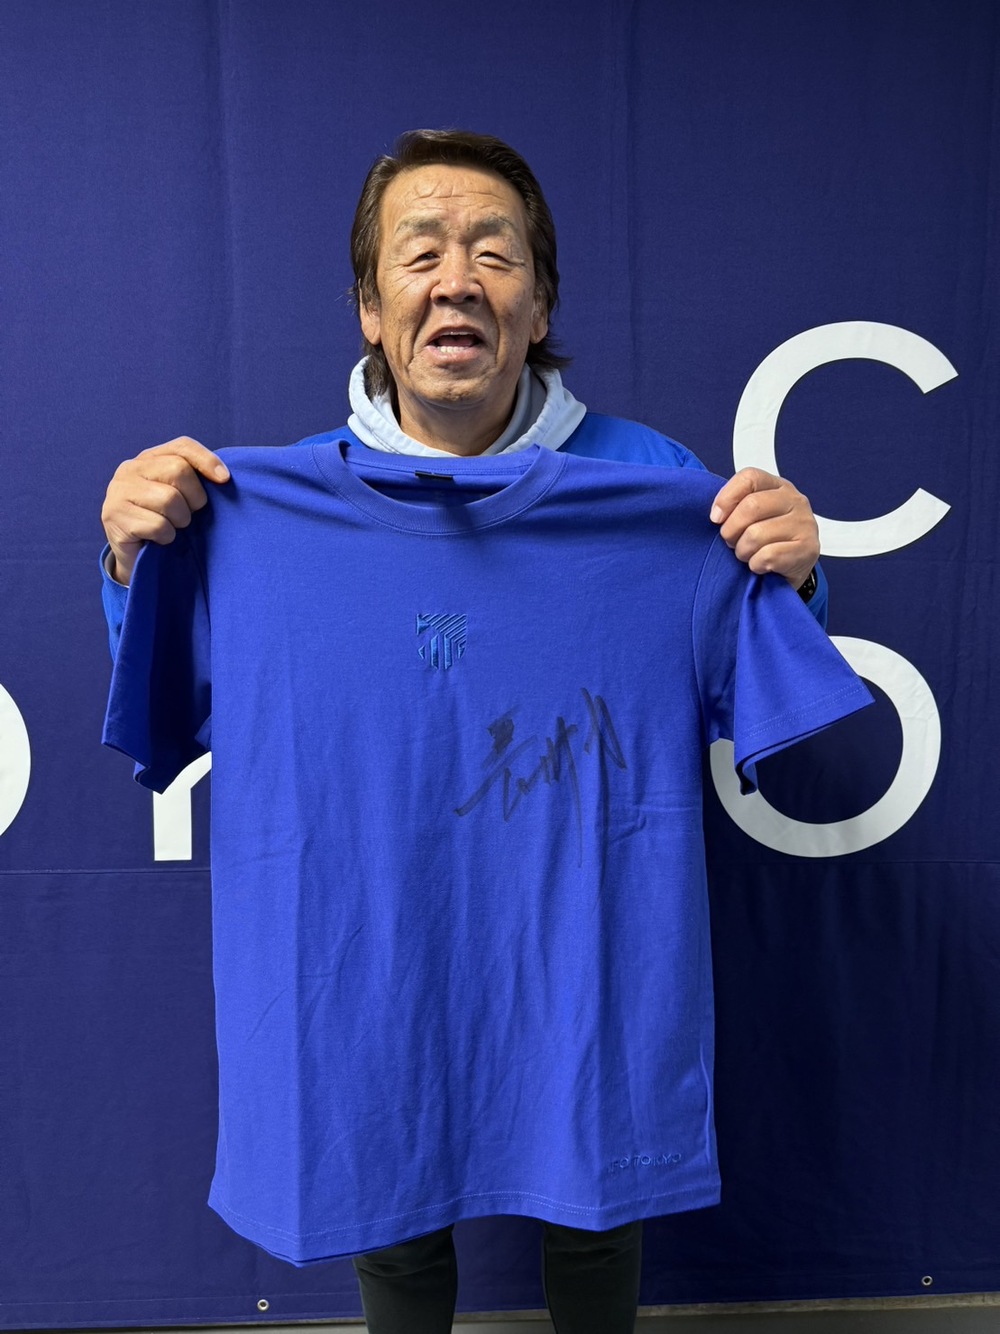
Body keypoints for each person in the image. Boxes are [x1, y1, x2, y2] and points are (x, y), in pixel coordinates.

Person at [100, 131, 826, 1333]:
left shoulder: (660, 489)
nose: (456, 280)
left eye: (494, 253)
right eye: (420, 252)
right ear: (370, 310)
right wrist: (137, 559)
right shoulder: (251, 515)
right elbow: (172, 695)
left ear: (537, 306)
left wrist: (787, 575)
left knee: (597, 1209)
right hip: (368, 947)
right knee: (384, 1200)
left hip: (582, 954)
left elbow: (755, 689)